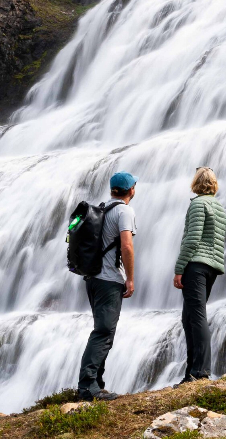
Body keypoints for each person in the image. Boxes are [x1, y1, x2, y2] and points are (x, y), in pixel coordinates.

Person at [76, 170, 138, 401]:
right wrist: (130, 278)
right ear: (131, 190)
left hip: (92, 279)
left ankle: (97, 384)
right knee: (103, 332)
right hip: (109, 280)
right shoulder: (124, 211)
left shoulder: (102, 209)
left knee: (103, 331)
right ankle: (88, 388)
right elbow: (127, 246)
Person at [173, 166, 226, 384]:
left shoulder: (197, 204)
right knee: (188, 318)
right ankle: (191, 371)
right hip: (212, 266)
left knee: (196, 317)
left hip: (195, 265)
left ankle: (201, 371)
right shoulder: (219, 207)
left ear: (196, 183)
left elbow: (193, 238)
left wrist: (179, 268)